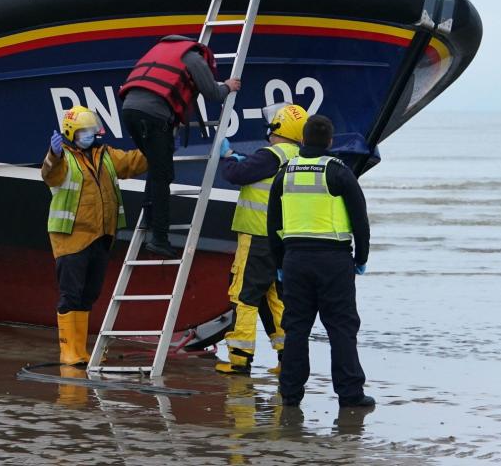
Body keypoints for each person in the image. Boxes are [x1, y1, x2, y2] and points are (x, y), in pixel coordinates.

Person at [267, 114, 375, 408]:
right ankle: (350, 394)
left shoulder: (285, 173)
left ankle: (290, 393)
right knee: (341, 327)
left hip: (295, 260)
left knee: (296, 327)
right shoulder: (338, 172)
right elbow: (360, 221)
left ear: (302, 140)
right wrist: (361, 258)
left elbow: (273, 224)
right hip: (334, 260)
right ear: (330, 142)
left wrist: (279, 262)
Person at [42, 106, 148, 365]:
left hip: (101, 236)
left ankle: (81, 350)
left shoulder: (106, 155)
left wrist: (157, 148)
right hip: (71, 238)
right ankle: (69, 351)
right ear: (72, 133)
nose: (91, 135)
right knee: (71, 294)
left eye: (92, 130)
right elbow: (49, 175)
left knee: (89, 294)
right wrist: (53, 155)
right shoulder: (64, 159)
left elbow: (132, 163)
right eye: (85, 131)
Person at [118, 35, 240, 257]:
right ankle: (160, 238)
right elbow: (212, 93)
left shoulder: (158, 50)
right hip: (153, 117)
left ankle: (148, 217)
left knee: (156, 168)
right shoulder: (193, 57)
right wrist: (227, 87)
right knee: (163, 175)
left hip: (129, 111)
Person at [214, 104, 309, 375]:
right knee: (275, 298)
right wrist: (243, 159)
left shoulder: (271, 154)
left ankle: (239, 358)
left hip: (256, 236)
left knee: (243, 295)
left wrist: (229, 156)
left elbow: (235, 175)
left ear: (277, 128)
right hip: (282, 240)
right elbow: (258, 171)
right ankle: (286, 357)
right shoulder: (299, 157)